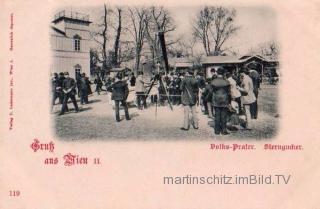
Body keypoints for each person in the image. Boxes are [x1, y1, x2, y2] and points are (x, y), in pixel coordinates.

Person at [211, 67, 231, 135]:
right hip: (225, 100)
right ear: (223, 73)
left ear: (217, 73)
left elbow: (211, 91)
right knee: (224, 115)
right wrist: (229, 101)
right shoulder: (227, 82)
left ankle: (217, 131)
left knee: (217, 115)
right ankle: (223, 130)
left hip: (216, 100)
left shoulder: (213, 81)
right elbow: (229, 92)